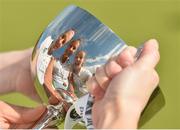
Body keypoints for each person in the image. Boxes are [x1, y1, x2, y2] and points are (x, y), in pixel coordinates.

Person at [0, 39, 160, 128]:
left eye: (77, 53)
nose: (71, 52)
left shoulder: (80, 71)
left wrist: (13, 72)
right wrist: (119, 110)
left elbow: (75, 87)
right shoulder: (55, 62)